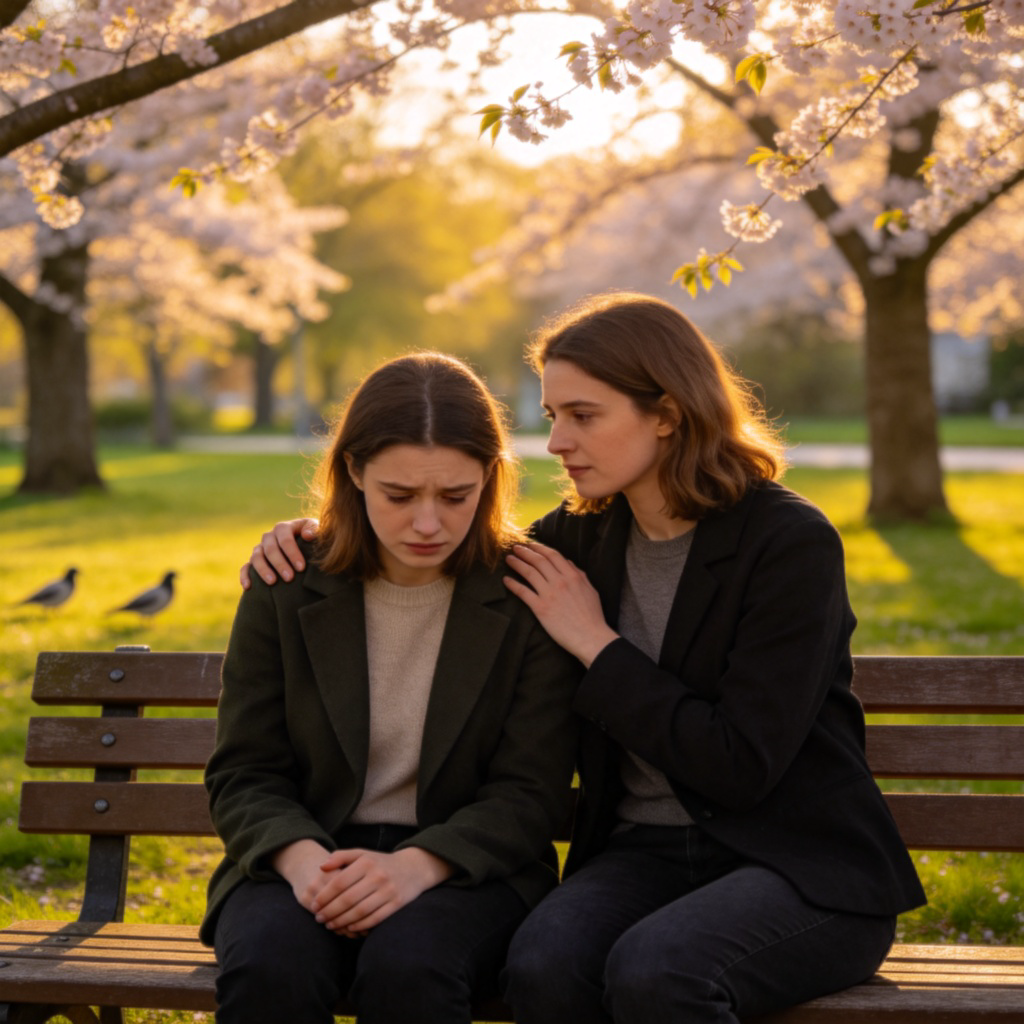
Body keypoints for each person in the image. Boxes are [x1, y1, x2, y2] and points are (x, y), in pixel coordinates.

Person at [241, 292, 926, 1024]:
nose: (557, 441)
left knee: (658, 972)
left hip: (796, 864)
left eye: (583, 415)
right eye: (552, 417)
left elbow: (740, 764)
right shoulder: (578, 540)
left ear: (665, 413)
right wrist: (312, 531)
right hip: (640, 854)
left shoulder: (787, 544)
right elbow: (450, 537)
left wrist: (597, 644)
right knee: (542, 963)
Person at [203, 352, 580, 1024]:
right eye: (399, 496)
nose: (428, 524)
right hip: (303, 851)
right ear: (353, 471)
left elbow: (530, 791)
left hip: (466, 867)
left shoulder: (525, 596)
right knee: (270, 967)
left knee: (411, 967)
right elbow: (244, 771)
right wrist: (303, 864)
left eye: (456, 496)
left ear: (491, 477)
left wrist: (417, 865)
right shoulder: (287, 585)